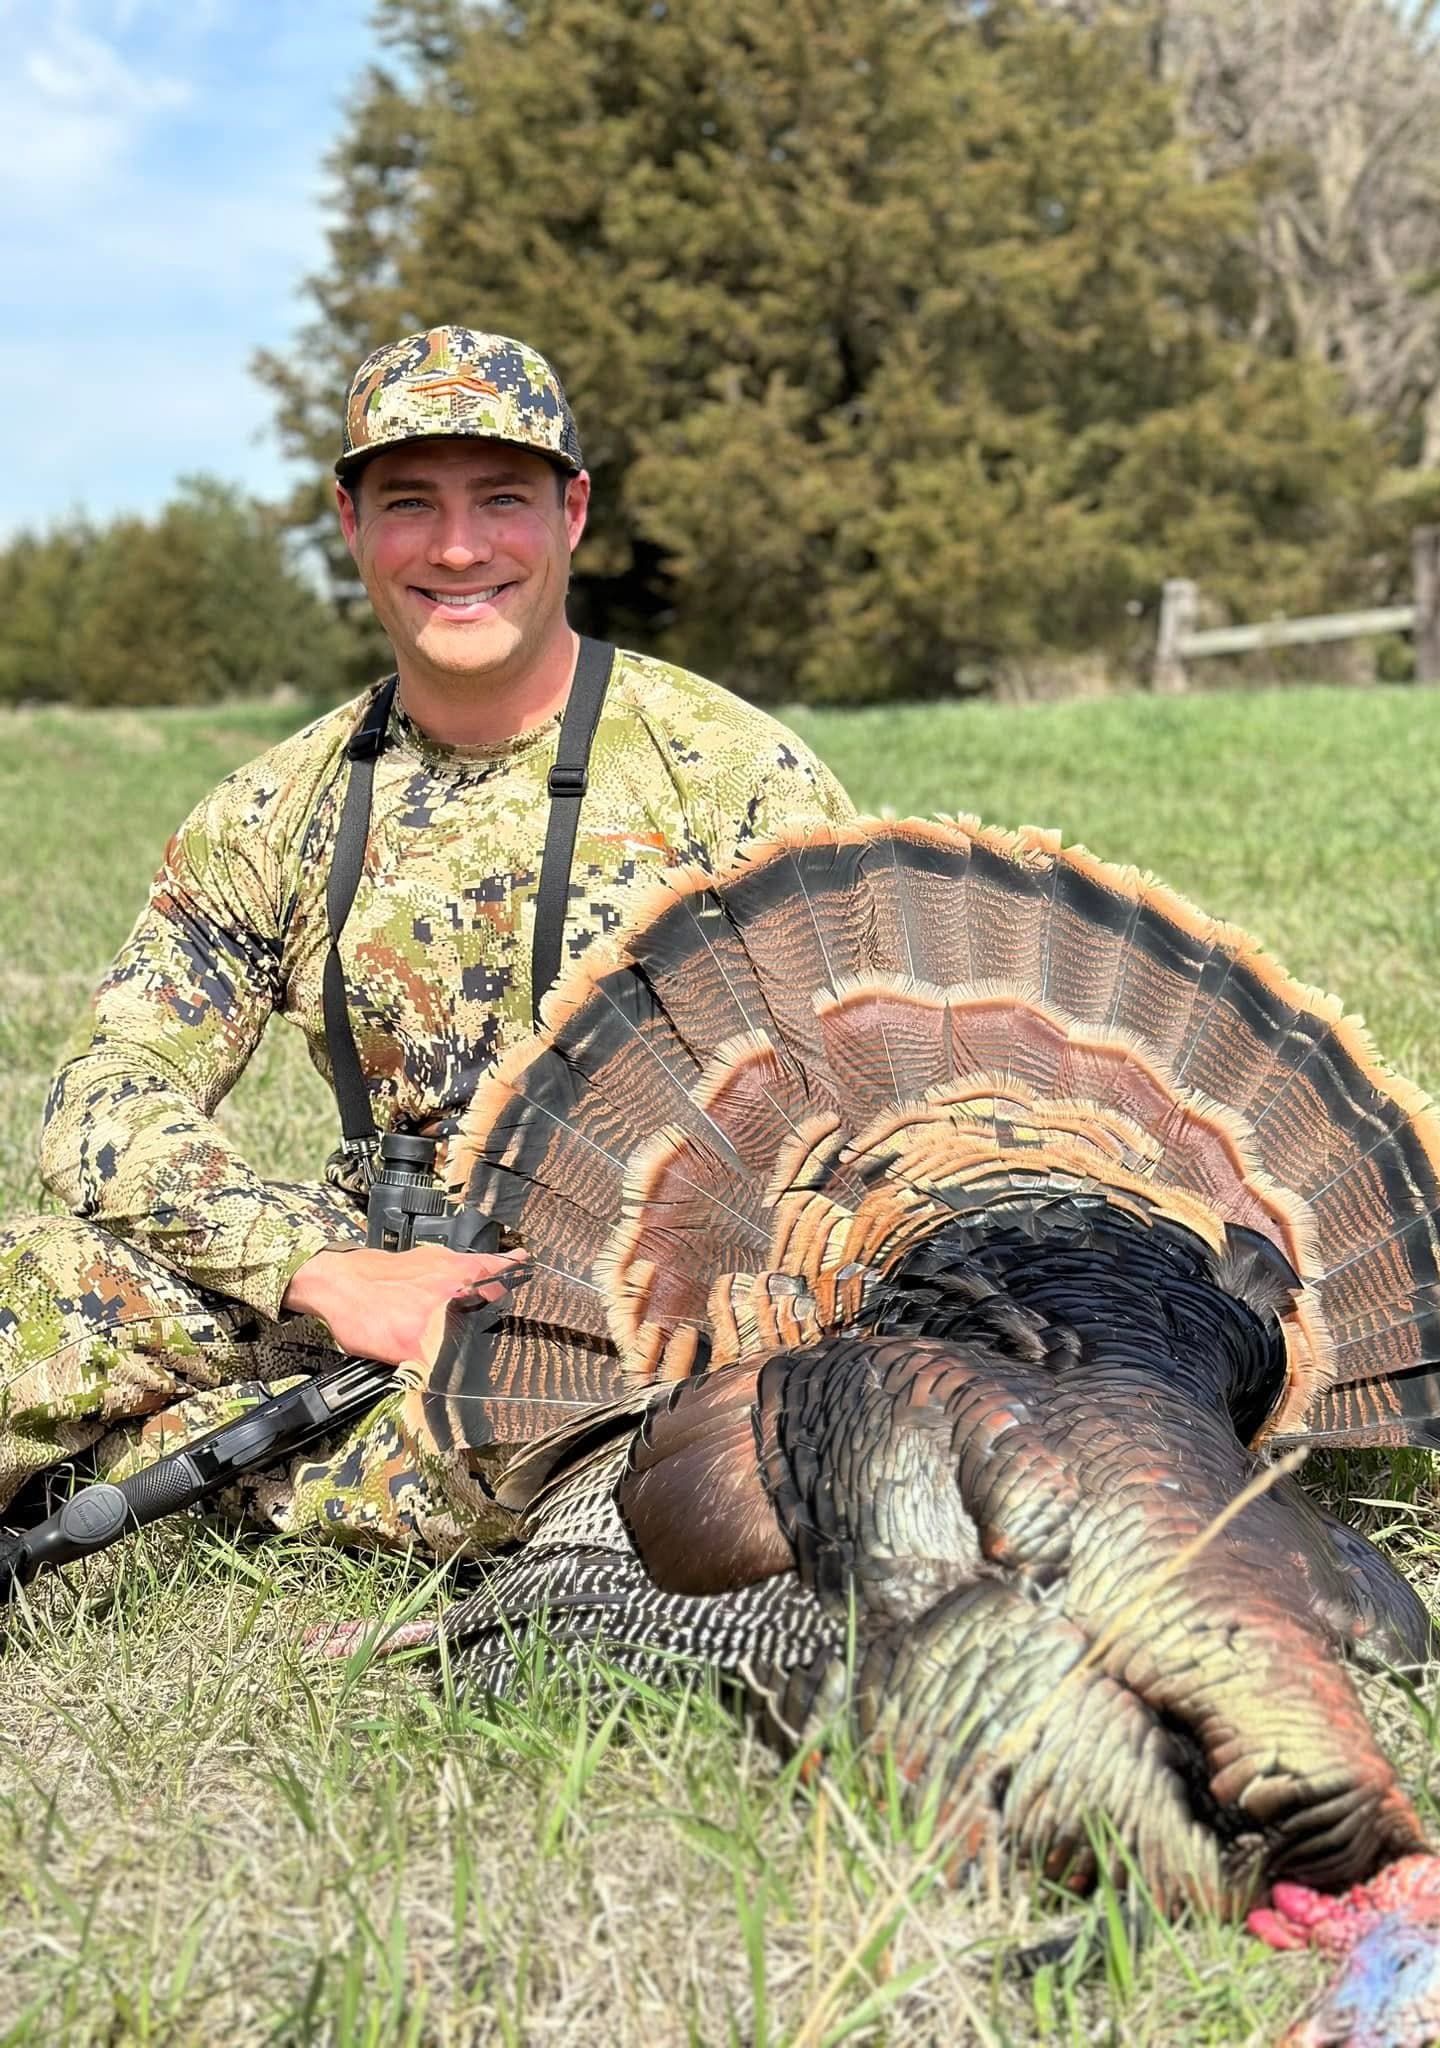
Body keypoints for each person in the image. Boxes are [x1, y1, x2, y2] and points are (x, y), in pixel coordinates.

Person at [0, 326, 856, 1555]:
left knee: (594, 1440)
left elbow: (868, 1120)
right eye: (411, 503)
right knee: (27, 1291)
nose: (458, 548)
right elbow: (102, 1097)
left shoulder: (730, 777)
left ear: (571, 513)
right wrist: (314, 1266)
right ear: (352, 525)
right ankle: (244, 1451)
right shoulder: (276, 807)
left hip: (635, 1314)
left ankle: (177, 1466)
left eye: (500, 499)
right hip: (367, 1279)